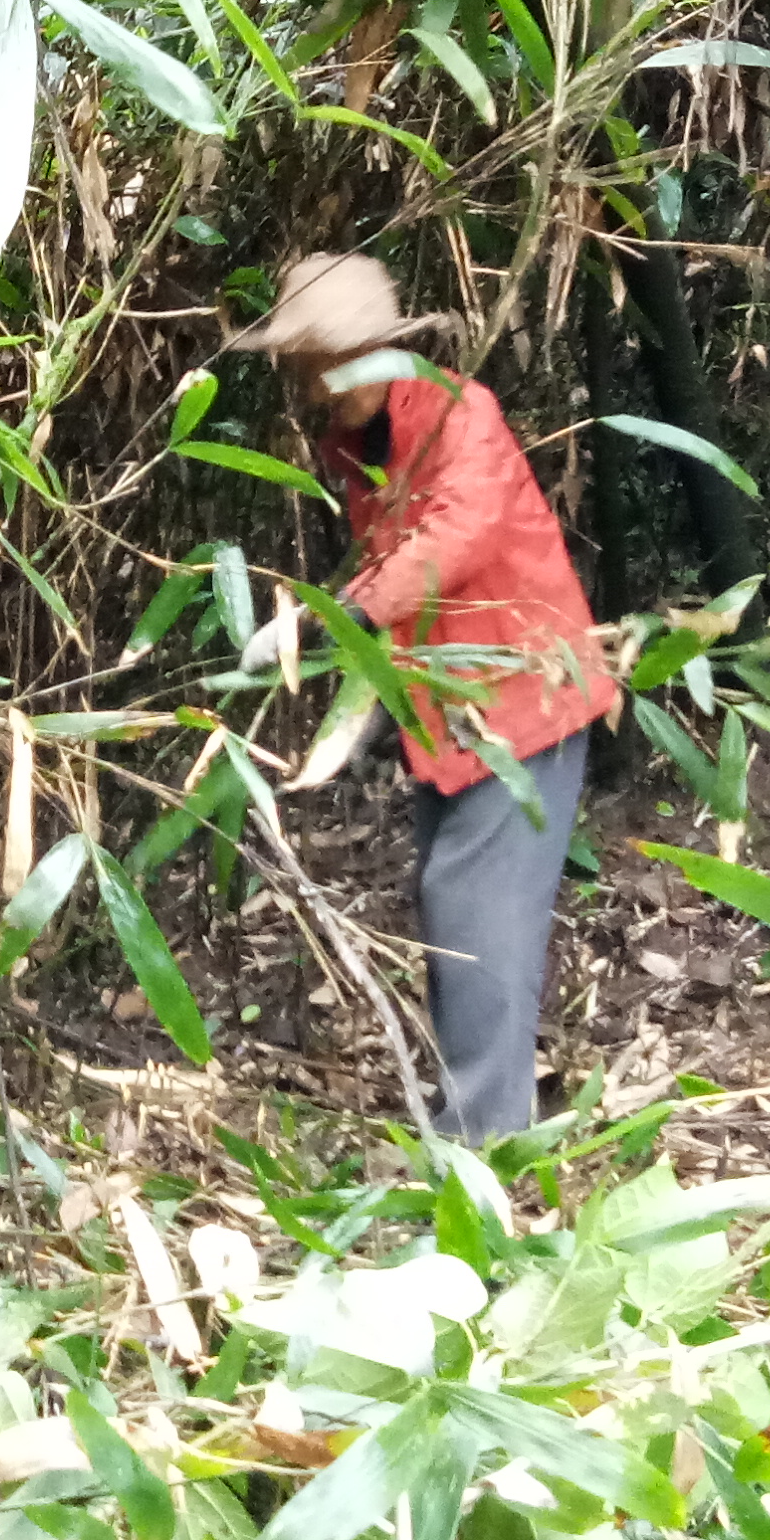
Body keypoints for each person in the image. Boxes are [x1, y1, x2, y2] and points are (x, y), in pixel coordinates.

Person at [229, 252, 616, 1145]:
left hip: (523, 705)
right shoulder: (365, 446)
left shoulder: (455, 413)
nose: (317, 388)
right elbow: (396, 572)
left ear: (373, 354)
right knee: (455, 910)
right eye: (308, 371)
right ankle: (480, 1118)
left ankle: (485, 1140)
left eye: (326, 365)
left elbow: (455, 537)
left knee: (476, 914)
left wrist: (333, 621)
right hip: (453, 715)